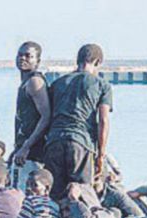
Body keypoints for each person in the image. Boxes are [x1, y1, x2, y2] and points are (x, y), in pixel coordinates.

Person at [43, 44, 112, 199]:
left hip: (54, 141)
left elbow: (46, 116)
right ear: (97, 62)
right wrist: (101, 154)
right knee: (82, 194)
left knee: (55, 195)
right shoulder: (101, 85)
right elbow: (103, 121)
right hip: (81, 143)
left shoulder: (58, 83)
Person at [11, 41, 50, 174]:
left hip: (34, 151)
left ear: (37, 61)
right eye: (20, 55)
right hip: (24, 148)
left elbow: (46, 116)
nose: (22, 58)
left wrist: (26, 146)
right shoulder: (25, 83)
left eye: (28, 56)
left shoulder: (35, 82)